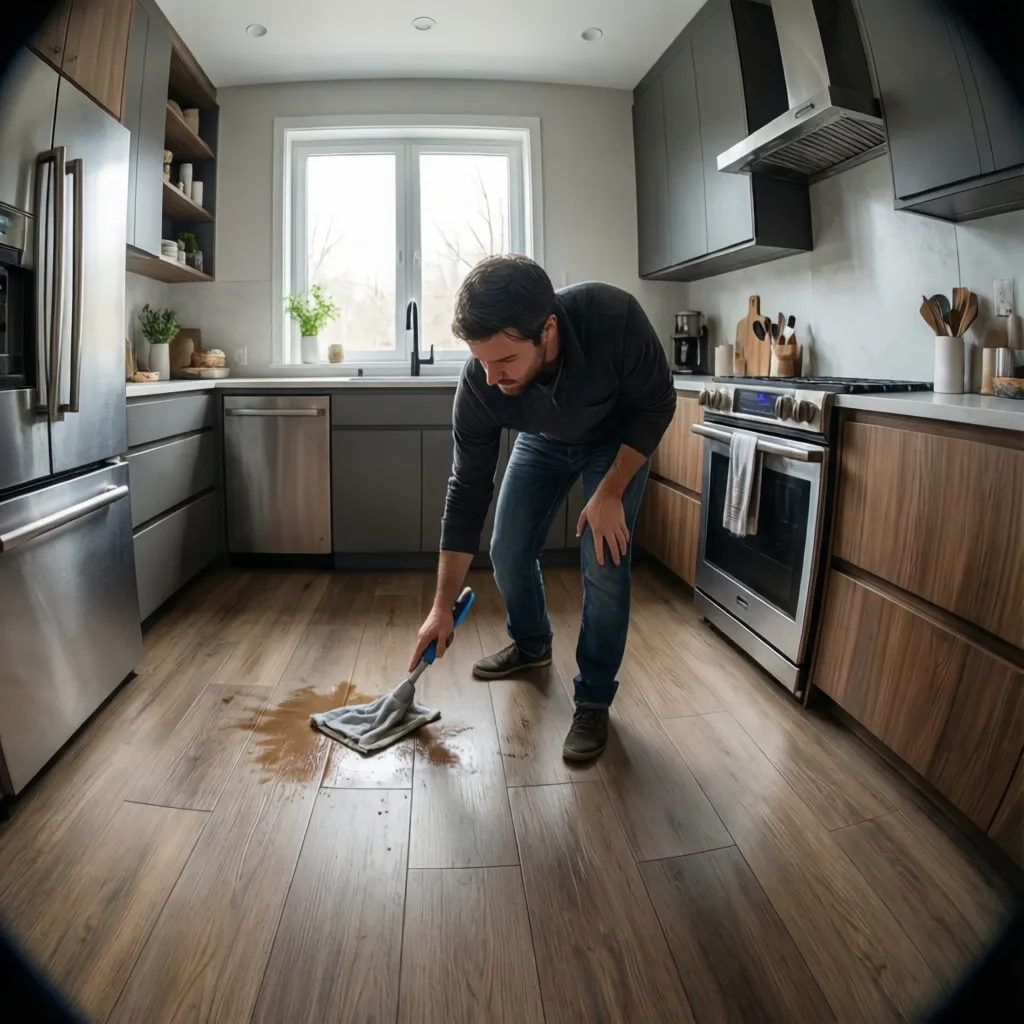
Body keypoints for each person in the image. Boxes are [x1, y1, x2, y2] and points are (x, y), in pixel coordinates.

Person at [409, 255, 675, 760]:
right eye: (481, 360)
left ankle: (594, 698)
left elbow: (658, 403)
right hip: (543, 439)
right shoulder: (481, 386)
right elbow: (466, 490)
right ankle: (531, 644)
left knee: (604, 560)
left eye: (505, 361)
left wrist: (611, 490)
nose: (490, 377)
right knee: (507, 548)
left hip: (616, 443)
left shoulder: (612, 318)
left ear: (547, 331)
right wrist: (441, 606)